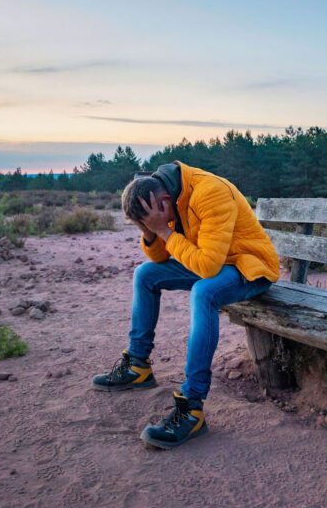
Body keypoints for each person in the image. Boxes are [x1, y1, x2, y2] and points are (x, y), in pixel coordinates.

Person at [92, 161, 280, 449]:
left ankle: (191, 408)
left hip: (249, 266)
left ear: (163, 201)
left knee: (204, 292)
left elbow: (205, 268)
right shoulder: (167, 195)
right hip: (215, 262)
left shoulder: (209, 193)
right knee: (145, 274)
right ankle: (138, 366)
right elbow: (158, 258)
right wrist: (150, 232)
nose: (150, 225)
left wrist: (165, 231)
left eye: (148, 220)